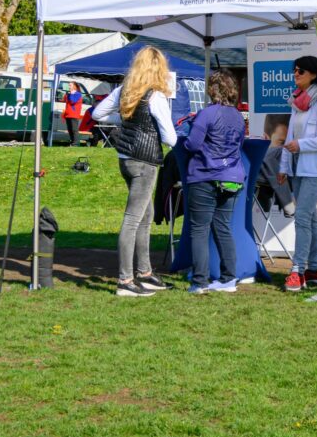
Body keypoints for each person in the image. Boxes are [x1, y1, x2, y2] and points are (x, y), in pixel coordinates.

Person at [92, 47, 178, 297]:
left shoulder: (124, 90)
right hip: (145, 161)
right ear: (159, 68)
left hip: (125, 158)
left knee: (145, 214)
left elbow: (97, 113)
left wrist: (124, 120)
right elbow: (170, 138)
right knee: (133, 219)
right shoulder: (156, 97)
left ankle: (145, 273)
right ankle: (125, 280)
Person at [277, 56, 317, 292]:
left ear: (314, 74)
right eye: (294, 70)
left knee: (302, 216)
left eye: (300, 70)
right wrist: (284, 166)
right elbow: (290, 136)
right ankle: (314, 269)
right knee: (310, 217)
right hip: (297, 165)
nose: (295, 74)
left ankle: (298, 271)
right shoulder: (298, 99)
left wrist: (301, 146)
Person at [182, 70, 246, 294]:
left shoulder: (207, 114)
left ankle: (200, 282)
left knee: (199, 230)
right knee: (223, 228)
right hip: (233, 177)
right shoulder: (238, 116)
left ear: (212, 90)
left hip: (205, 176)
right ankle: (229, 279)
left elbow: (192, 144)